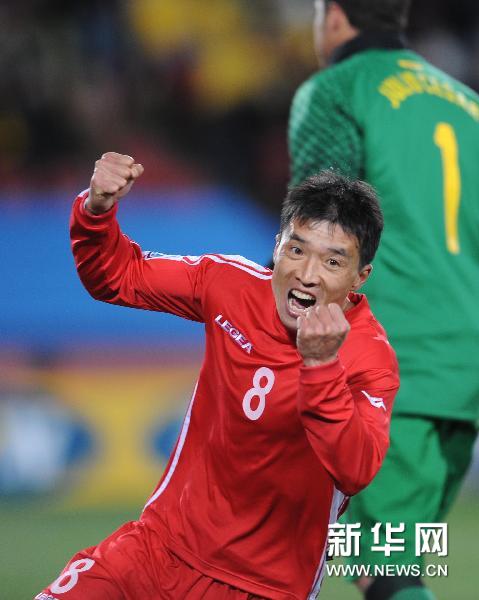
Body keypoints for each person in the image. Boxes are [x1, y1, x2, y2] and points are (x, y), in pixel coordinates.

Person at [36, 152, 398, 600]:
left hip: (263, 587)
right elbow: (116, 274)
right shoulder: (228, 284)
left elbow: (356, 469)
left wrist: (321, 367)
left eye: (332, 262)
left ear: (360, 276)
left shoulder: (370, 357)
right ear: (277, 245)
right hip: (157, 548)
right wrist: (97, 210)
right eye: (297, 249)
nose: (307, 274)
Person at [289, 2, 479, 599]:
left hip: (394, 366)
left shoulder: (338, 89)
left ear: (334, 16)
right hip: (463, 376)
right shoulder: (468, 105)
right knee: (393, 561)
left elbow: (318, 231)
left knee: (380, 568)